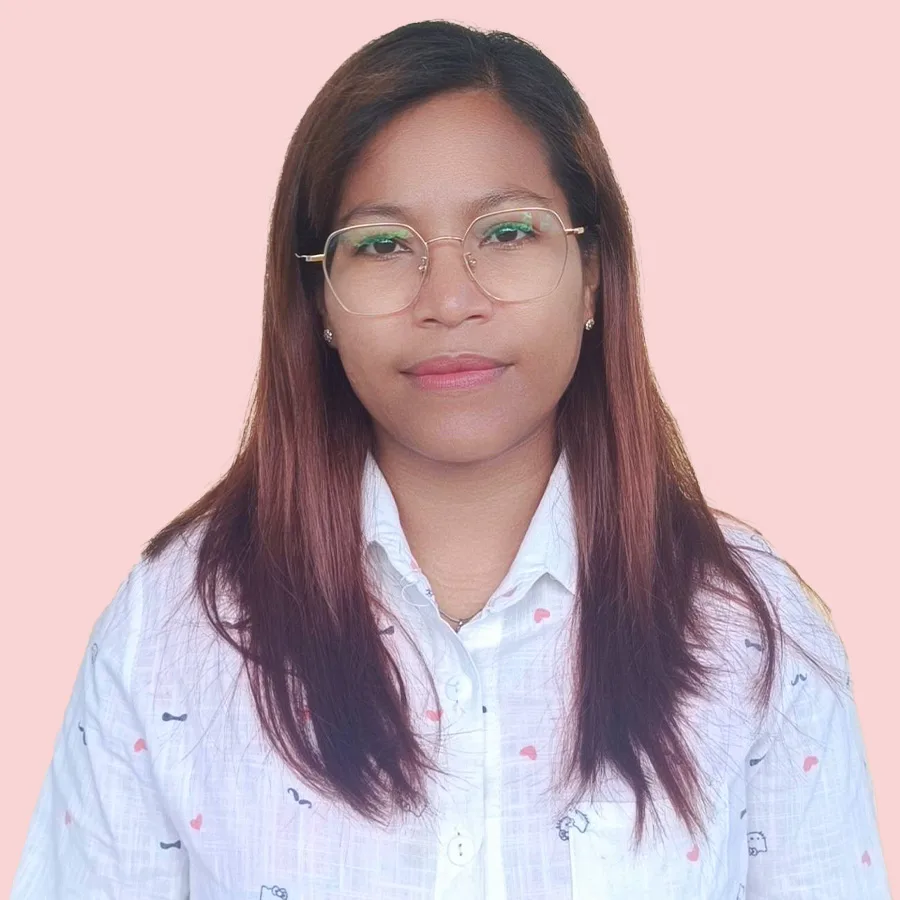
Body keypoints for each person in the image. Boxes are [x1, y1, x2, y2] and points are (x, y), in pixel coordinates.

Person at [11, 19, 890, 900]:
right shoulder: (169, 627)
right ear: (319, 300)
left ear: (592, 275)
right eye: (382, 245)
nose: (449, 300)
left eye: (507, 233)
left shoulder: (754, 627)